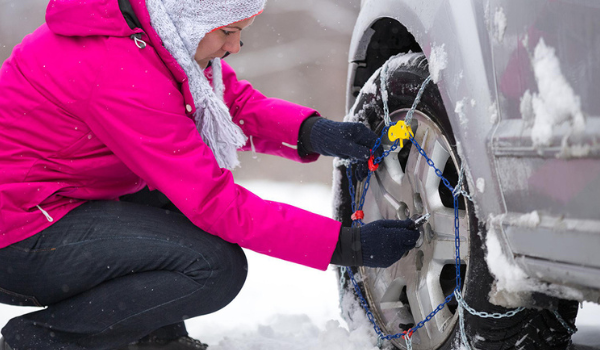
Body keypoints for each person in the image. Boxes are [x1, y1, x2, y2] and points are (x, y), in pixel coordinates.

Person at [0, 0, 420, 348]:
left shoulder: (151, 38)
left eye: (243, 33)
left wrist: (312, 133)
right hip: (20, 237)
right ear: (191, 18)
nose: (235, 47)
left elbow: (226, 104)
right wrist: (344, 245)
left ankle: (152, 338)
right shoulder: (117, 69)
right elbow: (215, 203)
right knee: (213, 267)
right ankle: (38, 341)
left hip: (52, 207)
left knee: (171, 212)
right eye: (228, 32)